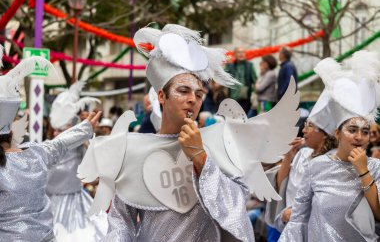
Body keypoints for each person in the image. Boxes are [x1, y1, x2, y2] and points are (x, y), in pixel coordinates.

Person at [78, 24, 301, 242]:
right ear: (162, 96)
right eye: (183, 91)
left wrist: (202, 159)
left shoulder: (220, 142)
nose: (193, 99)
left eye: (199, 93)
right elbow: (121, 221)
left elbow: (236, 210)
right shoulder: (133, 149)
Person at [279, 51, 380, 241]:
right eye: (352, 130)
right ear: (338, 133)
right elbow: (299, 220)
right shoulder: (316, 166)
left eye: (365, 132)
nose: (359, 136)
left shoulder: (376, 168)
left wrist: (363, 172)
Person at [0, 54, 102, 241]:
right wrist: (85, 128)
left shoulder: (36, 153)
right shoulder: (36, 154)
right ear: (11, 130)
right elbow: (60, 144)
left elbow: (60, 143)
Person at [47, 81, 106, 241]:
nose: (58, 134)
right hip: (48, 203)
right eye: (56, 130)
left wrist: (88, 141)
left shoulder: (80, 145)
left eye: (62, 130)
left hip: (74, 203)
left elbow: (95, 169)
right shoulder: (46, 148)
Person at [226, 47, 257, 114]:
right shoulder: (230, 66)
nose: (241, 54)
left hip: (245, 98)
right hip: (233, 98)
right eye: (239, 52)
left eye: (243, 52)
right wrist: (227, 64)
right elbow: (225, 78)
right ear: (234, 55)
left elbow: (255, 81)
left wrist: (254, 93)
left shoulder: (250, 65)